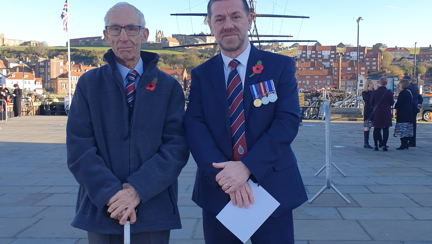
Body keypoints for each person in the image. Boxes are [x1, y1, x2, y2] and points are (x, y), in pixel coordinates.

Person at [184, 0, 307, 243]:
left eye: (235, 16)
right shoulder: (201, 74)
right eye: (219, 19)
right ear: (210, 25)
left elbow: (287, 121)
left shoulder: (279, 66)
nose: (228, 25)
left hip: (272, 189)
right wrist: (227, 176)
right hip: (219, 190)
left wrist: (246, 166)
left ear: (249, 19)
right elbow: (195, 125)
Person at [66, 3, 189, 244]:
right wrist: (113, 195)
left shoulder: (169, 87)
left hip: (154, 208)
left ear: (144, 34)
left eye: (131, 29)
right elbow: (79, 148)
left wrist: (136, 190)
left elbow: (176, 147)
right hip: (103, 208)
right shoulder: (89, 84)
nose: (123, 37)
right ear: (106, 36)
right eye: (115, 29)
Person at [370, 77, 394, 151]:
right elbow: (392, 102)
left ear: (379, 83)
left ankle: (375, 145)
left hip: (377, 112)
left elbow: (371, 102)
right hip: (386, 112)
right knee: (385, 128)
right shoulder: (389, 92)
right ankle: (384, 145)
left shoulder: (375, 92)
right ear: (386, 83)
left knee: (376, 128)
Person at [394, 79, 414, 150]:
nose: (400, 85)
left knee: (402, 129)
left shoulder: (403, 93)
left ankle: (403, 144)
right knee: (407, 129)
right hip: (409, 113)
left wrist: (395, 106)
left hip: (402, 113)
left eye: (400, 84)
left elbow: (399, 103)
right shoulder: (409, 92)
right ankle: (406, 143)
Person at [404, 75, 420, 147]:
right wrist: (419, 104)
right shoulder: (416, 87)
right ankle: (412, 142)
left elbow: (410, 99)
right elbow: (419, 97)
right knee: (413, 126)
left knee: (407, 125)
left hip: (408, 108)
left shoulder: (407, 88)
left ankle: (407, 141)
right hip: (415, 109)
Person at [362, 80, 374, 148]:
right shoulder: (364, 93)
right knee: (368, 126)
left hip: (374, 110)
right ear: (367, 85)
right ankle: (366, 142)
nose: (372, 85)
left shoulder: (374, 92)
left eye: (372, 83)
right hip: (368, 111)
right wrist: (370, 92)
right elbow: (369, 100)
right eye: (371, 84)